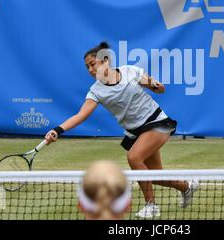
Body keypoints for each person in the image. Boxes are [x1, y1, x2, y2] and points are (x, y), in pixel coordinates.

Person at [45, 41, 198, 218]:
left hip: (156, 121)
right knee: (153, 175)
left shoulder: (130, 72)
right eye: (87, 66)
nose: (90, 69)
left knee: (134, 157)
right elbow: (81, 115)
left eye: (93, 64)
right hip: (135, 131)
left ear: (105, 61)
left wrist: (155, 85)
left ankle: (151, 205)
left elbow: (160, 90)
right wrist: (58, 130)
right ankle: (186, 186)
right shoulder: (96, 91)